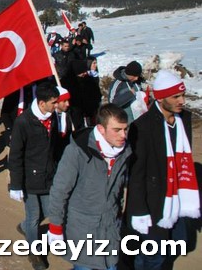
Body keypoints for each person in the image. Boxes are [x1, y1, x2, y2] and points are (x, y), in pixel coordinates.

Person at [126, 70, 199, 270]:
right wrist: (139, 210)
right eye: (176, 97)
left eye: (183, 95)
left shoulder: (183, 119)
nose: (182, 101)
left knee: (174, 246)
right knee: (152, 256)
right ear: (160, 98)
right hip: (154, 203)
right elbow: (136, 175)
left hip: (178, 197)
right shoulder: (142, 127)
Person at [47, 104, 131, 270]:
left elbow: (119, 190)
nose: (123, 135)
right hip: (82, 231)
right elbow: (59, 191)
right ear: (101, 129)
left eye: (125, 129)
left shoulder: (125, 152)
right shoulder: (76, 152)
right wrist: (55, 227)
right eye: (117, 130)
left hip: (110, 229)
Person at [8, 82, 60, 270]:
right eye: (54, 102)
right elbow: (15, 155)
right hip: (28, 178)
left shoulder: (53, 118)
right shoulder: (23, 122)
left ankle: (24, 227)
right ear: (42, 103)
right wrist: (16, 184)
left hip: (47, 176)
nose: (56, 105)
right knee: (34, 217)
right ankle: (34, 252)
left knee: (49, 211)